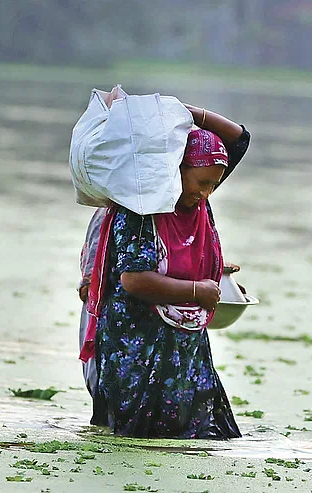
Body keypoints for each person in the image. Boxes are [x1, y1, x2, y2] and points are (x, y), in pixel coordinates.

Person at [77, 104, 250, 439]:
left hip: (182, 339)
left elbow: (239, 139)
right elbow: (134, 279)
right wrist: (198, 291)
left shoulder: (196, 195)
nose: (206, 193)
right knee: (140, 436)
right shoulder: (144, 206)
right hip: (137, 343)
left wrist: (182, 113)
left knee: (197, 432)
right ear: (175, 166)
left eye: (213, 185)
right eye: (202, 183)